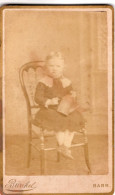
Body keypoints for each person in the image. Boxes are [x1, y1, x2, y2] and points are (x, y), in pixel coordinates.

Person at [33, 52, 86, 159]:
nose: (54, 69)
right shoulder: (43, 82)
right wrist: (49, 101)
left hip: (64, 109)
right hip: (49, 111)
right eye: (51, 66)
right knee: (59, 120)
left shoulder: (66, 81)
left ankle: (65, 146)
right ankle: (62, 145)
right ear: (46, 68)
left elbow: (70, 93)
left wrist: (72, 95)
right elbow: (37, 98)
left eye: (58, 66)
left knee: (74, 118)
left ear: (63, 68)